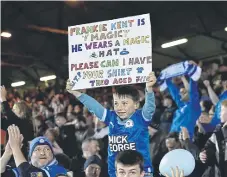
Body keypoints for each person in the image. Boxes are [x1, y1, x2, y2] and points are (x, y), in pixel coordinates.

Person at [66, 72, 156, 177]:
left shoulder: (141, 117)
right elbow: (95, 107)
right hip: (115, 173)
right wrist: (77, 93)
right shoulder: (111, 117)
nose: (119, 107)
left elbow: (149, 107)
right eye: (116, 103)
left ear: (136, 104)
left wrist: (149, 89)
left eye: (125, 103)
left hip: (140, 172)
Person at [1, 125, 67, 177]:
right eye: (37, 149)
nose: (42, 153)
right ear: (31, 155)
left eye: (47, 149)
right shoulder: (23, 169)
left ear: (52, 155)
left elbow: (29, 175)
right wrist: (8, 153)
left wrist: (15, 148)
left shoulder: (59, 171)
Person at [164, 62, 201, 138]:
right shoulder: (181, 106)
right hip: (171, 137)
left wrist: (192, 72)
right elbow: (173, 91)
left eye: (184, 92)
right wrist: (167, 74)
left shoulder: (193, 106)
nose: (181, 93)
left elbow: (193, 89)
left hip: (185, 139)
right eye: (180, 92)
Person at [0, 86, 34, 158]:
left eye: (15, 109)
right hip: (10, 154)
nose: (12, 111)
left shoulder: (26, 123)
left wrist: (3, 97)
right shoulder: (13, 122)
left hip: (21, 156)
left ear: (22, 112)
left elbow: (8, 112)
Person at [199, 100, 227, 177]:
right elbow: (210, 145)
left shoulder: (222, 129)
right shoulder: (218, 129)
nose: (219, 114)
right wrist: (204, 154)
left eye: (222, 111)